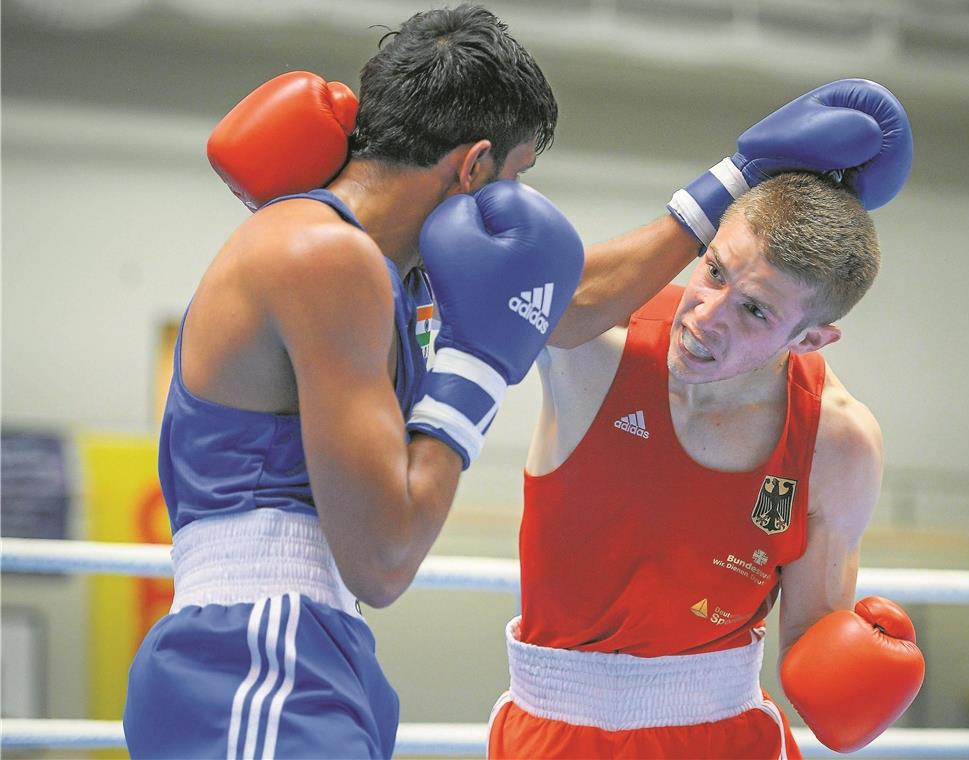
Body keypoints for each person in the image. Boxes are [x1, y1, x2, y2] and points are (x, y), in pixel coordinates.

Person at [211, 77, 927, 757]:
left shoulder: (837, 440)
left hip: (724, 736)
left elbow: (809, 637)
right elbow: (491, 247)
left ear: (810, 340)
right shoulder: (599, 346)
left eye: (755, 310)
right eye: (713, 271)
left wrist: (855, 670)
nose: (705, 316)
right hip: (555, 731)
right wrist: (337, 165)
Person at [121, 6, 582, 759]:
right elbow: (385, 556)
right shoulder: (326, 258)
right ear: (473, 166)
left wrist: (729, 190)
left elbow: (576, 296)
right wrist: (478, 371)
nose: (512, 205)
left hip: (299, 648)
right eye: (516, 175)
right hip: (257, 655)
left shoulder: (387, 274)